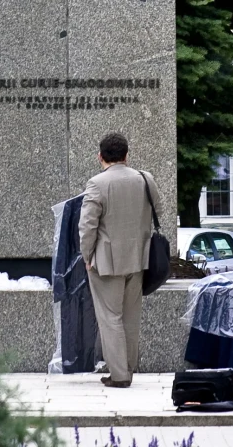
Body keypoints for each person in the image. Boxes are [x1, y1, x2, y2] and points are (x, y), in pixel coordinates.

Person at [78, 131, 160, 389]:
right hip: (138, 259)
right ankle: (128, 368)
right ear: (126, 155)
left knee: (110, 317)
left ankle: (119, 375)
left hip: (105, 262)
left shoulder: (97, 184)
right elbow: (158, 211)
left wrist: (87, 255)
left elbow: (87, 226)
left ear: (100, 156)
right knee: (130, 316)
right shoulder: (145, 179)